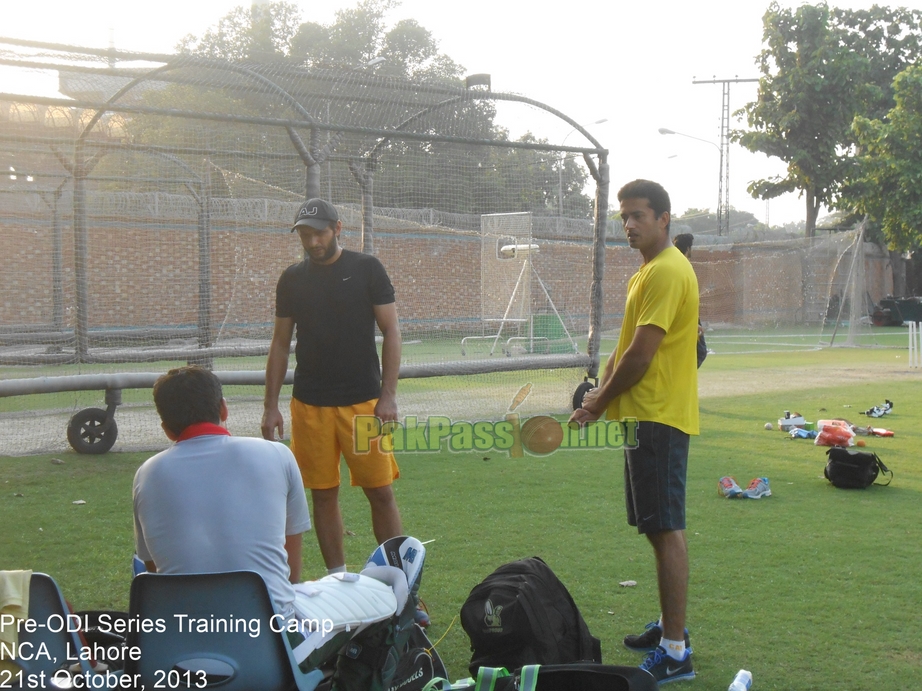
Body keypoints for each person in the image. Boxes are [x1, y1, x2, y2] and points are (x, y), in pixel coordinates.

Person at [570, 180, 699, 684]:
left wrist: (598, 401)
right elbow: (628, 349)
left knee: (666, 528)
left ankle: (675, 651)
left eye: (639, 215)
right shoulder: (650, 271)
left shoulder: (666, 271)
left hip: (658, 417)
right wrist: (598, 398)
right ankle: (673, 627)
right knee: (656, 526)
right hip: (646, 415)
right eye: (623, 217)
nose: (628, 225)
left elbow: (641, 356)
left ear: (664, 218)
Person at [262, 198, 403, 575]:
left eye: (319, 233)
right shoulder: (292, 278)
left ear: (338, 229)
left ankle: (402, 583)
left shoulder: (367, 269)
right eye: (305, 235)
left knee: (381, 492)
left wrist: (388, 395)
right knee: (322, 496)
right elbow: (279, 343)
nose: (311, 242)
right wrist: (270, 405)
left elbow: (391, 331)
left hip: (364, 402)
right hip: (310, 404)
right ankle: (337, 580)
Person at [133, 365, 312, 621]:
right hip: (272, 635)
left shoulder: (147, 473)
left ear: (166, 429)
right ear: (224, 409)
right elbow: (290, 575)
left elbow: (155, 570)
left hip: (183, 640)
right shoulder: (277, 454)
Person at [672, 233, 708, 368]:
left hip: (689, 314)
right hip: (686, 315)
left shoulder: (677, 264)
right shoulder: (681, 266)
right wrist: (692, 323)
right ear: (688, 248)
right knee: (700, 352)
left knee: (698, 352)